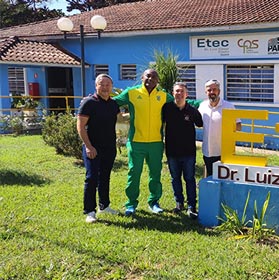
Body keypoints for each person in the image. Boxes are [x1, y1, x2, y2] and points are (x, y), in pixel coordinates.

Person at [113, 69, 167, 216]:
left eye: (154, 76)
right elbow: (112, 102)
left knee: (155, 174)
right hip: (136, 142)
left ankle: (154, 202)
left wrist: (204, 103)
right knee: (134, 173)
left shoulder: (163, 96)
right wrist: (93, 100)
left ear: (158, 80)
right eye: (148, 76)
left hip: (156, 143)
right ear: (142, 77)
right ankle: (131, 204)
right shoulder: (132, 93)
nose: (151, 79)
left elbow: (182, 102)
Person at [77, 74, 120, 223]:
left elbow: (122, 119)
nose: (105, 87)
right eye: (102, 84)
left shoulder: (113, 104)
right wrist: (88, 146)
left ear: (111, 87)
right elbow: (80, 126)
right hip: (92, 147)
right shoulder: (89, 103)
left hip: (109, 147)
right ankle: (90, 211)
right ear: (96, 86)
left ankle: (104, 205)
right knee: (92, 178)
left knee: (105, 177)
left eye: (108, 84)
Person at [162, 82, 203, 218]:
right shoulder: (166, 108)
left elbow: (201, 123)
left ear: (186, 94)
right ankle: (179, 203)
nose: (179, 94)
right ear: (173, 93)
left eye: (181, 91)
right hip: (172, 151)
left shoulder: (192, 111)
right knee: (175, 179)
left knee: (189, 179)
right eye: (176, 91)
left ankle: (192, 206)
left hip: (188, 152)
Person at [198, 79, 242, 177]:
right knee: (211, 178)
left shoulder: (229, 106)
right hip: (208, 151)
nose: (212, 92)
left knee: (225, 179)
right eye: (209, 90)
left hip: (224, 152)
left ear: (219, 91)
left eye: (214, 89)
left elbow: (239, 126)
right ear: (206, 92)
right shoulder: (202, 106)